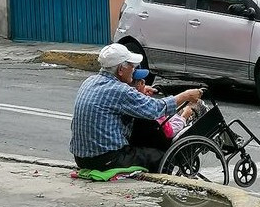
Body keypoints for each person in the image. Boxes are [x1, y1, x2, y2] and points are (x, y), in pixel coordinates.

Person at [70, 44, 204, 172]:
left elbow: (118, 98)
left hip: (81, 158)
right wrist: (186, 96)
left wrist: (141, 90)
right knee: (162, 157)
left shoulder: (90, 81)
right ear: (120, 70)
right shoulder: (121, 91)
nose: (133, 68)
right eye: (131, 65)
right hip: (106, 159)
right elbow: (155, 109)